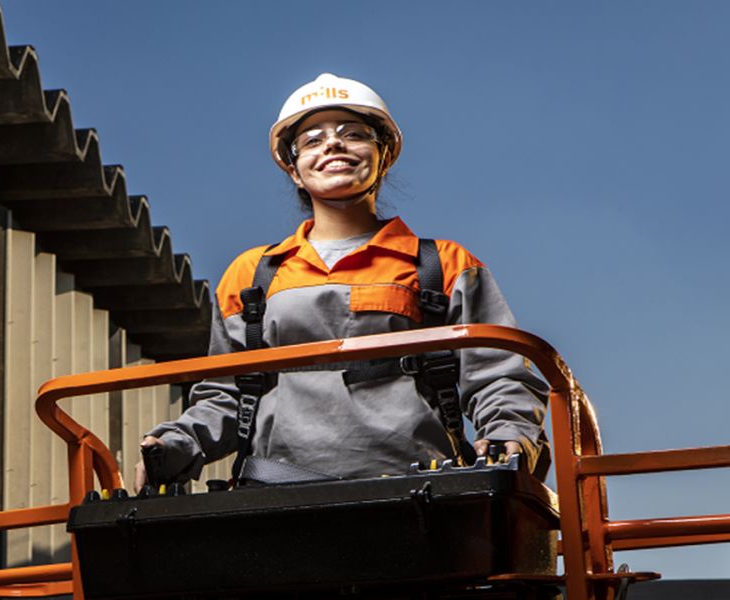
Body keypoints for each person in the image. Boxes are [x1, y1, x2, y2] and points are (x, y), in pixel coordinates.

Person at [135, 73, 549, 489]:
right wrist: (176, 442)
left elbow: (499, 373)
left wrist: (508, 436)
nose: (333, 144)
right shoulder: (252, 276)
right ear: (295, 171)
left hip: (418, 492)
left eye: (354, 134)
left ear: (383, 156)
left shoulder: (442, 265)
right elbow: (224, 394)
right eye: (312, 140)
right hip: (276, 495)